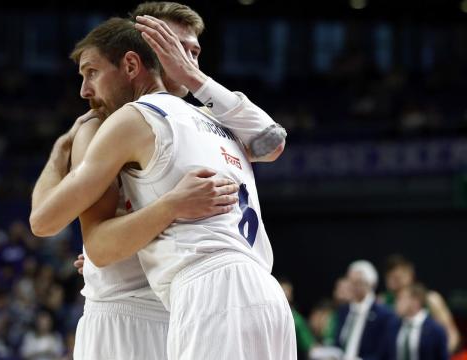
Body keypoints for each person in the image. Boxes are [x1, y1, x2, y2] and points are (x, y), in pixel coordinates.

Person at [30, 16, 295, 360]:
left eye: (91, 72)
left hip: (206, 291)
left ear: (130, 64)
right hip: (264, 294)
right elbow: (271, 141)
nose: (84, 90)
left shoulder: (123, 120)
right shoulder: (220, 122)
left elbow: (44, 221)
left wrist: (58, 156)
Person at [381, 254, 460, 353]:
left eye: (398, 277)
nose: (395, 282)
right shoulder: (381, 302)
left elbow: (451, 335)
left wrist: (441, 353)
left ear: (410, 274)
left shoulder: (431, 299)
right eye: (390, 277)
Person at [335, 260, 398, 360]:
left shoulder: (384, 315)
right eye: (350, 281)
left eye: (357, 283)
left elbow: (385, 353)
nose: (352, 286)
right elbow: (338, 344)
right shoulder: (343, 311)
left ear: (370, 284)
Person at [393, 283, 449, 360]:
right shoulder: (393, 326)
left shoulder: (435, 330)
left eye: (401, 298)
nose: (396, 303)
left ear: (415, 301)